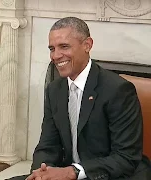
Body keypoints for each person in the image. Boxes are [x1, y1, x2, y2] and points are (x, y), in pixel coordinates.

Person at [8, 17, 151, 180]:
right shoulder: (54, 90)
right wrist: (42, 173)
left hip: (108, 175)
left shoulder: (118, 90)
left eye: (64, 47)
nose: (55, 56)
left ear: (87, 45)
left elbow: (125, 158)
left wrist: (72, 172)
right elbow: (47, 146)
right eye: (52, 48)